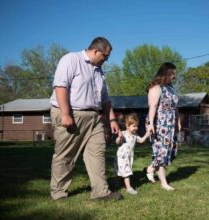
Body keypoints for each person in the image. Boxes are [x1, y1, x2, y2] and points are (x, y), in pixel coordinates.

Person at [49, 36, 122, 201]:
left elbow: (105, 99)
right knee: (66, 154)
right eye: (105, 56)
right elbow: (61, 86)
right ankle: (58, 193)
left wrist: (112, 120)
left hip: (94, 117)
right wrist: (66, 114)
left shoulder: (99, 71)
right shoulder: (71, 59)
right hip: (72, 114)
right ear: (96, 51)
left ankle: (100, 192)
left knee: (97, 152)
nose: (106, 60)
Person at [145, 62, 181, 191]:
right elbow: (153, 106)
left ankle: (151, 168)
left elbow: (175, 107)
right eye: (172, 74)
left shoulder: (171, 88)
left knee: (171, 151)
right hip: (159, 123)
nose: (174, 77)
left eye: (175, 74)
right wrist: (150, 124)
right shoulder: (156, 87)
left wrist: (178, 122)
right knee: (162, 152)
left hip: (171, 124)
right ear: (165, 73)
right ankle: (164, 183)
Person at [114, 113, 150, 195]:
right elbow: (117, 142)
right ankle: (128, 188)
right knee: (124, 172)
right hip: (121, 157)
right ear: (127, 125)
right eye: (134, 126)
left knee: (121, 172)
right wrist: (119, 138)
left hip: (128, 157)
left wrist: (147, 134)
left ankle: (116, 183)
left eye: (137, 126)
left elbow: (141, 141)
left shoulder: (135, 135)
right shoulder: (123, 134)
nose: (136, 128)